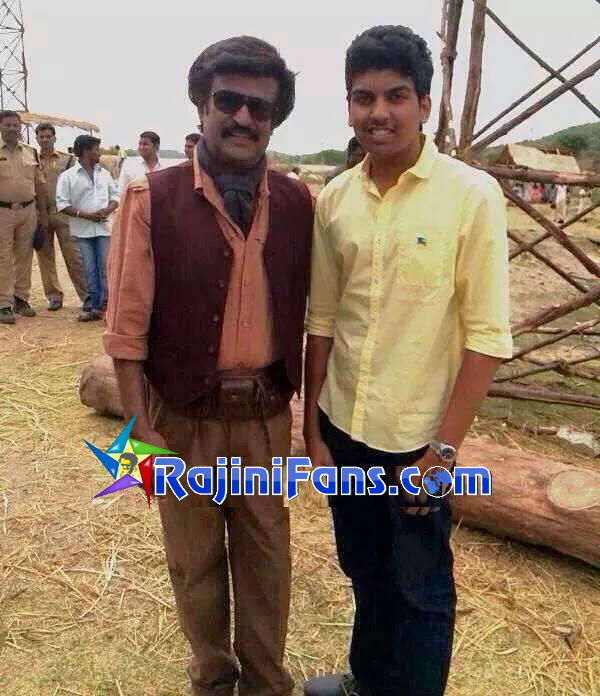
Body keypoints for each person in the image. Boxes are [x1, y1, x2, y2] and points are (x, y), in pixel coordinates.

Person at [303, 25, 512, 696]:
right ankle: (367, 681)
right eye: (363, 98)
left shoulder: (470, 195)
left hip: (418, 443)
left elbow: (486, 336)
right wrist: (312, 431)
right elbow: (322, 320)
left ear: (424, 103)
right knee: (364, 568)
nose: (379, 113)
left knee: (420, 589)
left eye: (396, 96)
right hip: (344, 428)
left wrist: (442, 453)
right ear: (348, 107)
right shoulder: (335, 199)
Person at [103, 36, 313, 696]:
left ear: (275, 120)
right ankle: (213, 678)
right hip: (178, 420)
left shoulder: (300, 202)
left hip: (264, 419)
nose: (243, 118)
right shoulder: (149, 197)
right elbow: (127, 328)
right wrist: (139, 430)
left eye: (260, 108)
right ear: (201, 104)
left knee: (267, 559)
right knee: (193, 562)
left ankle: (266, 683)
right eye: (229, 101)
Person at [56, 135, 119, 322]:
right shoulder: (68, 177)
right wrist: (85, 215)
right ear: (85, 151)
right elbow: (62, 204)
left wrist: (107, 210)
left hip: (104, 228)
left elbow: (115, 196)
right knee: (89, 269)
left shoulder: (104, 173)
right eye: (96, 149)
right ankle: (94, 306)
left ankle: (106, 306)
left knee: (105, 268)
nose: (99, 153)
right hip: (82, 231)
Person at [0, 110, 48, 324]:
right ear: (0, 127)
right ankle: (3, 304)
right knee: (3, 257)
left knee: (25, 256)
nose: (12, 129)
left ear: (20, 127)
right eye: (7, 125)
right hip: (2, 212)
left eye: (15, 125)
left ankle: (21, 299)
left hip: (28, 211)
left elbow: (40, 185)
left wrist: (43, 215)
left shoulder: (31, 152)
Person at [35, 122, 87, 311]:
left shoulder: (67, 160)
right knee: (45, 257)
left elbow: (79, 183)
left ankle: (87, 297)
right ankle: (54, 297)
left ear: (54, 138)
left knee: (74, 257)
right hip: (40, 214)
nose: (45, 140)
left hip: (63, 213)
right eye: (41, 137)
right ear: (37, 139)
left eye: (48, 136)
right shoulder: (32, 159)